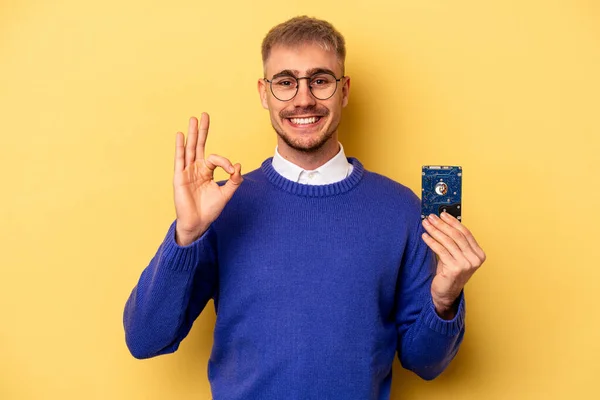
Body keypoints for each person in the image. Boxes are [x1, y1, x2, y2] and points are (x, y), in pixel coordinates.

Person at [123, 15, 486, 400]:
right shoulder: (222, 205)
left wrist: (444, 301)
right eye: (285, 82)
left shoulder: (400, 210)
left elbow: (425, 364)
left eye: (320, 80)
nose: (303, 98)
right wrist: (186, 236)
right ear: (264, 93)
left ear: (343, 90)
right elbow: (145, 339)